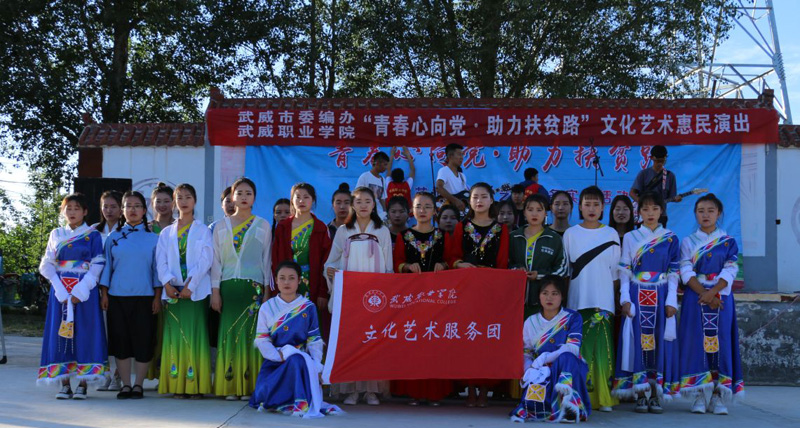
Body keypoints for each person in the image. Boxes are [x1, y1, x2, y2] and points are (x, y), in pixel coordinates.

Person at [324, 186, 393, 406]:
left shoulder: (382, 231)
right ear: (353, 205)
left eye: (367, 201)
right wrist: (330, 271)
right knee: (351, 341)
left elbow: (388, 266)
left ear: (374, 205)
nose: (363, 205)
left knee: (372, 341)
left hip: (374, 295)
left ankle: (371, 391)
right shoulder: (344, 231)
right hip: (351, 296)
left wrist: (386, 291)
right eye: (359, 201)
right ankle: (351, 390)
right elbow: (331, 260)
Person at [612, 192, 680, 413]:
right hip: (636, 293)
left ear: (662, 211)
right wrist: (625, 298)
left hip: (661, 294)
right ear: (639, 212)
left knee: (659, 341)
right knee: (638, 341)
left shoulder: (670, 238)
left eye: (655, 208)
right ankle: (640, 393)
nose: (650, 213)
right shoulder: (631, 237)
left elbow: (674, 272)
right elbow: (625, 270)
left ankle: (656, 394)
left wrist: (672, 299)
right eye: (645, 209)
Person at [249, 261, 343, 417]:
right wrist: (278, 355)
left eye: (291, 278)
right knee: (267, 389)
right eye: (282, 278)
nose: (286, 282)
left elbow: (314, 339)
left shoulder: (308, 307)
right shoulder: (267, 307)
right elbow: (262, 339)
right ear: (276, 280)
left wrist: (316, 365)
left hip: (302, 361)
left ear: (299, 280)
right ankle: (290, 401)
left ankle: (299, 402)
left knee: (296, 360)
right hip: (275, 362)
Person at [678, 194, 743, 416]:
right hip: (695, 297)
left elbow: (731, 269)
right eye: (701, 211)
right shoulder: (688, 242)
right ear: (695, 214)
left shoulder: (728, 241)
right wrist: (704, 293)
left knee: (721, 343)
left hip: (721, 298)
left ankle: (718, 395)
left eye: (710, 210)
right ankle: (698, 393)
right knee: (695, 343)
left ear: (719, 213)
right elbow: (685, 270)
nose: (705, 215)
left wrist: (713, 292)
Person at [445, 182, 509, 408]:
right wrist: (459, 264)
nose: (479, 201)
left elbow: (502, 262)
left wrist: (495, 281)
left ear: (492, 200)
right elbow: (452, 256)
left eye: (484, 196)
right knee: (467, 339)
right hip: (466, 290)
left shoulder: (501, 229)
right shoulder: (462, 227)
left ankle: (484, 390)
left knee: (486, 341)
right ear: (469, 202)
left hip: (490, 291)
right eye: (475, 197)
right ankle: (470, 389)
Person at [38, 193, 107, 399]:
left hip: (85, 292)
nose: (72, 212)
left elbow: (98, 264)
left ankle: (83, 384)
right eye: (68, 208)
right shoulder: (56, 233)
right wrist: (59, 287)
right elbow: (46, 264)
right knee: (61, 334)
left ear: (85, 212)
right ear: (63, 211)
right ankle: (64, 383)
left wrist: (82, 290)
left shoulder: (93, 235)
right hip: (60, 292)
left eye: (77, 208)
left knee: (85, 332)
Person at [211, 178, 272, 401]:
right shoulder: (220, 226)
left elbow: (267, 260)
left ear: (254, 198)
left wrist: (267, 291)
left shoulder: (263, 225)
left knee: (251, 336)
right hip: (228, 288)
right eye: (239, 193)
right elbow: (216, 262)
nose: (244, 197)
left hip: (253, 289)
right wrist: (215, 292)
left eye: (248, 193)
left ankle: (249, 387)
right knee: (229, 334)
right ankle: (229, 386)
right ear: (232, 197)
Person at [562, 186, 620, 412]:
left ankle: (604, 398)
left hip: (603, 300)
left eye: (596, 204)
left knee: (603, 350)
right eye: (587, 204)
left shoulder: (611, 234)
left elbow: (615, 273)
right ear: (580, 207)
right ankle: (577, 396)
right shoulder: (570, 234)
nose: (592, 209)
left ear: (603, 207)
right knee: (579, 349)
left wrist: (614, 299)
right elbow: (566, 271)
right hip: (577, 300)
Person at [391, 191, 452, 406]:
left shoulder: (443, 236)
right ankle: (414, 392)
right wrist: (407, 266)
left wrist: (443, 265)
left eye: (427, 206)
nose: (423, 210)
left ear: (435, 211)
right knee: (413, 344)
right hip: (411, 299)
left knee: (435, 344)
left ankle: (435, 393)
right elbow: (396, 263)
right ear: (412, 211)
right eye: (418, 206)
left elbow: (452, 260)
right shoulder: (404, 236)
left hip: (438, 300)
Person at [99, 191, 161, 400]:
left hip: (145, 297)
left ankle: (138, 385)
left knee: (144, 341)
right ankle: (125, 384)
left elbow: (157, 271)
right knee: (120, 341)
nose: (132, 210)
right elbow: (107, 268)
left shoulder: (154, 238)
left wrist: (157, 297)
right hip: (117, 297)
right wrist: (104, 294)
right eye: (128, 206)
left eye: (137, 206)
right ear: (122, 211)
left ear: (144, 210)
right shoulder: (112, 238)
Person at [156, 183, 214, 399]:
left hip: (195, 293)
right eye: (179, 197)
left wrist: (191, 284)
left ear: (195, 201)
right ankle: (177, 385)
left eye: (188, 197)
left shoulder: (203, 230)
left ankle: (196, 386)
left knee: (195, 335)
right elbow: (160, 261)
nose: (183, 201)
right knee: (174, 338)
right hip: (172, 293)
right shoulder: (166, 233)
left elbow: (206, 260)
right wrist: (167, 284)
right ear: (174, 202)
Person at [510, 276, 591, 423]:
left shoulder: (572, 317)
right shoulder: (530, 322)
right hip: (542, 371)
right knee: (532, 404)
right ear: (539, 296)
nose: (549, 298)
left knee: (566, 357)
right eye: (545, 293)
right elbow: (526, 351)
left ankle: (569, 407)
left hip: (569, 368)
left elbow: (572, 348)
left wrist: (544, 358)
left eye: (555, 293)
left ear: (562, 296)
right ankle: (552, 408)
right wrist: (529, 370)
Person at [271, 183, 333, 341]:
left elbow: (327, 262)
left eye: (306, 197)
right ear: (292, 200)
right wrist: (279, 285)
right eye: (297, 197)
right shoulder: (283, 227)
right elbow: (276, 259)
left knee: (310, 327)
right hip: (287, 283)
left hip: (312, 284)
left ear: (313, 200)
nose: (301, 200)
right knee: (287, 325)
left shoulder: (320, 227)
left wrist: (322, 292)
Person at [508, 194, 568, 318]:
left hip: (543, 303)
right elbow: (504, 264)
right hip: (515, 301)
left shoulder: (554, 239)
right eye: (530, 210)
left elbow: (562, 270)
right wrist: (516, 270)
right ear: (524, 213)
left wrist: (539, 275)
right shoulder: (513, 237)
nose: (534, 214)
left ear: (545, 213)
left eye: (539, 210)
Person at [92, 190, 124, 392]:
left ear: (121, 209)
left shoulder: (127, 231)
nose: (109, 210)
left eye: (113, 206)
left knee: (119, 333)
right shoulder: (93, 231)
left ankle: (118, 375)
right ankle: (104, 374)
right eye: (105, 206)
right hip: (95, 289)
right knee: (101, 333)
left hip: (120, 288)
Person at [630, 145, 682, 227]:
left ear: (666, 158)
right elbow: (632, 193)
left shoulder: (670, 176)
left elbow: (672, 197)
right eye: (657, 161)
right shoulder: (644, 174)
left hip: (661, 215)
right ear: (651, 158)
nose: (660, 163)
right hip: (645, 215)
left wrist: (676, 199)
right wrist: (643, 203)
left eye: (662, 161)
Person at [436, 143, 469, 214]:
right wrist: (455, 201)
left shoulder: (462, 176)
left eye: (462, 155)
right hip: (448, 209)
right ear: (450, 156)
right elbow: (439, 187)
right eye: (459, 154)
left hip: (459, 212)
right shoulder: (444, 170)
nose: (462, 157)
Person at [356, 150, 390, 218]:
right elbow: (358, 196)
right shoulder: (364, 177)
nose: (386, 168)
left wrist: (385, 213)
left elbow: (382, 199)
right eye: (385, 164)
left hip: (379, 215)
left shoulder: (382, 179)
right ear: (377, 163)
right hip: (367, 214)